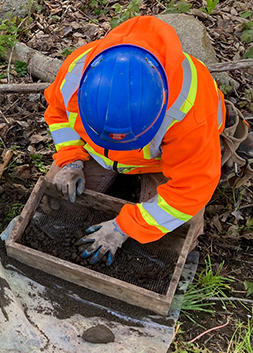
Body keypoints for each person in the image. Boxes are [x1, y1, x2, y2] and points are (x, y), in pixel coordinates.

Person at [43, 15, 253, 265]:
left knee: (175, 234)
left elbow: (189, 192)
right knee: (54, 202)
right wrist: (71, 161)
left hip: (164, 162)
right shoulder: (76, 73)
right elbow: (58, 115)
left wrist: (124, 228)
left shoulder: (190, 112)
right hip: (98, 155)